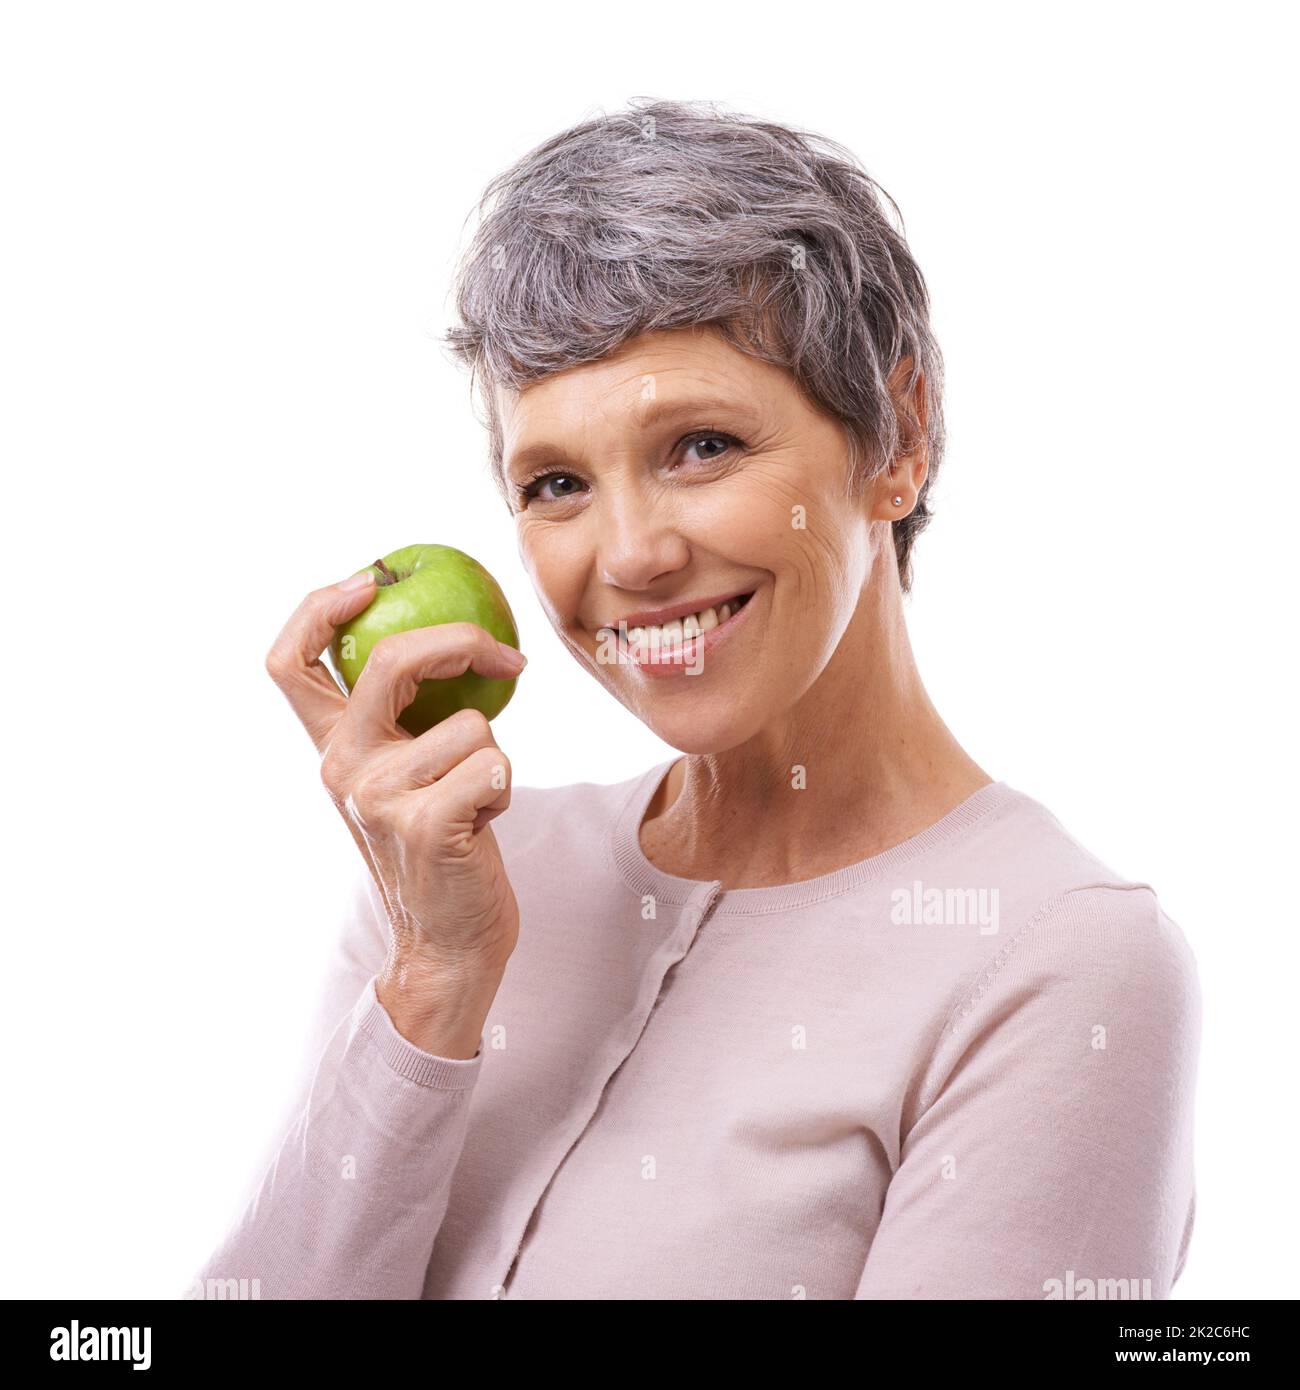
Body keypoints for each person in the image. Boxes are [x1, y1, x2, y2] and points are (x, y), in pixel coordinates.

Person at [189, 99, 1199, 1300]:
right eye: (556, 480)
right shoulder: (456, 881)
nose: (629, 555)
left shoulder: (1062, 961)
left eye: (702, 445)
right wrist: (432, 979)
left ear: (900, 440)